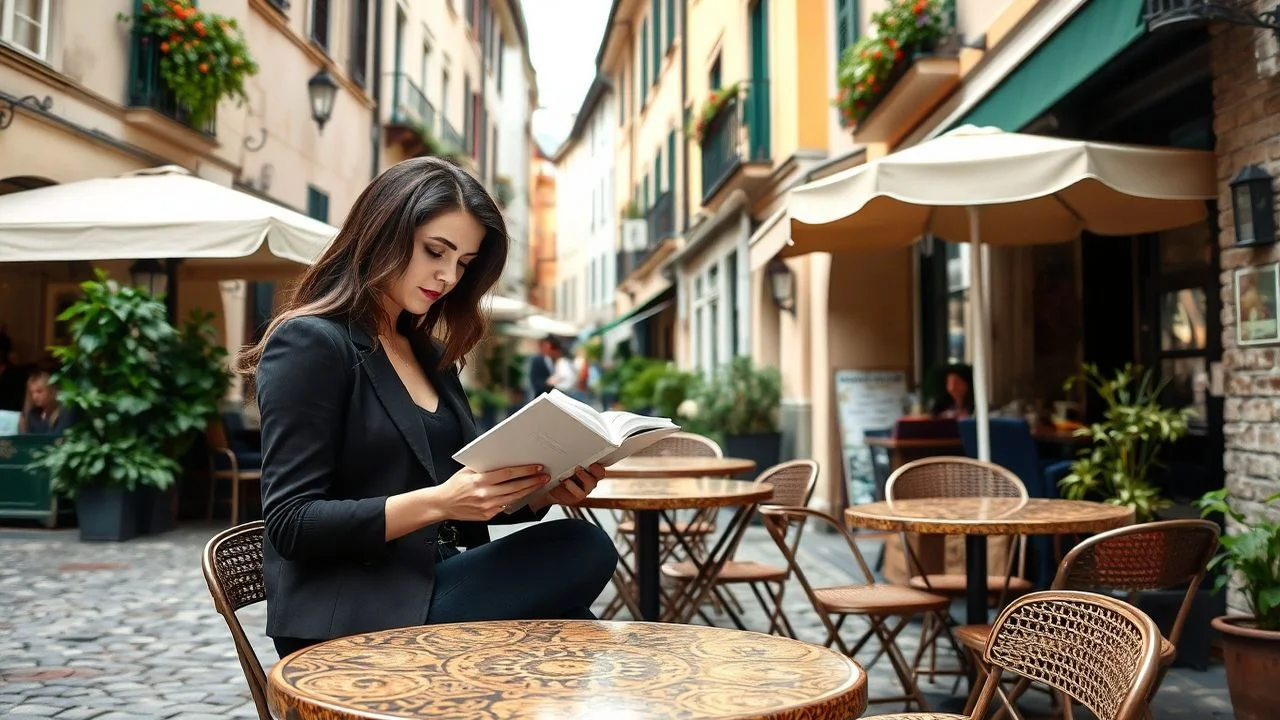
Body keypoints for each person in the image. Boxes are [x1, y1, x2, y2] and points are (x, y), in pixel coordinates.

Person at [235, 157, 618, 659]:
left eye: (463, 263)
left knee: (571, 629)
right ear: (382, 231)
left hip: (437, 578)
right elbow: (291, 523)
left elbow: (460, 492)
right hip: (351, 609)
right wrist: (437, 503)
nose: (447, 276)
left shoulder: (430, 355)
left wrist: (543, 492)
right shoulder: (311, 343)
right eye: (435, 251)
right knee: (581, 553)